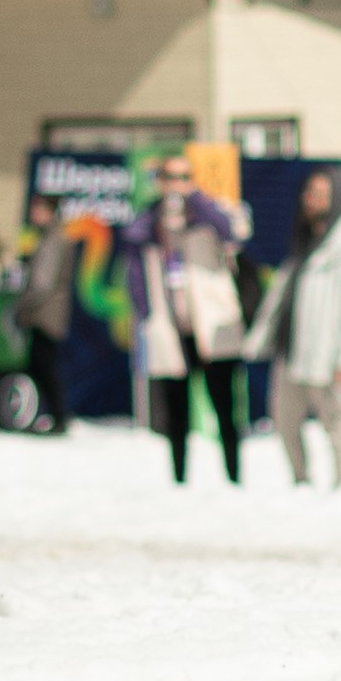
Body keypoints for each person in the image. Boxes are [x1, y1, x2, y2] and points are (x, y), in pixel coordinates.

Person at [248, 169, 341, 489]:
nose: (311, 201)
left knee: (336, 423)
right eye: (309, 193)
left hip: (328, 355)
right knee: (285, 421)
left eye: (321, 194)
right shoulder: (304, 245)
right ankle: (301, 481)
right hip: (293, 352)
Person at [125, 153, 250, 485]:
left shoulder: (207, 214)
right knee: (175, 410)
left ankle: (234, 476)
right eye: (168, 176)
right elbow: (131, 249)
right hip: (172, 326)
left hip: (211, 324)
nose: (175, 184)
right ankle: (179, 479)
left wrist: (195, 197)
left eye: (183, 176)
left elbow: (231, 232)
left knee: (225, 407)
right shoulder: (152, 221)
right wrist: (147, 313)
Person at [13, 193, 78, 436]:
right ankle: (53, 415)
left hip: (45, 313)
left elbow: (43, 282)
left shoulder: (53, 238)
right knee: (41, 365)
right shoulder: (49, 236)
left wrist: (23, 306)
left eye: (37, 209)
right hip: (44, 312)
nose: (33, 214)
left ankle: (59, 417)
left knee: (45, 366)